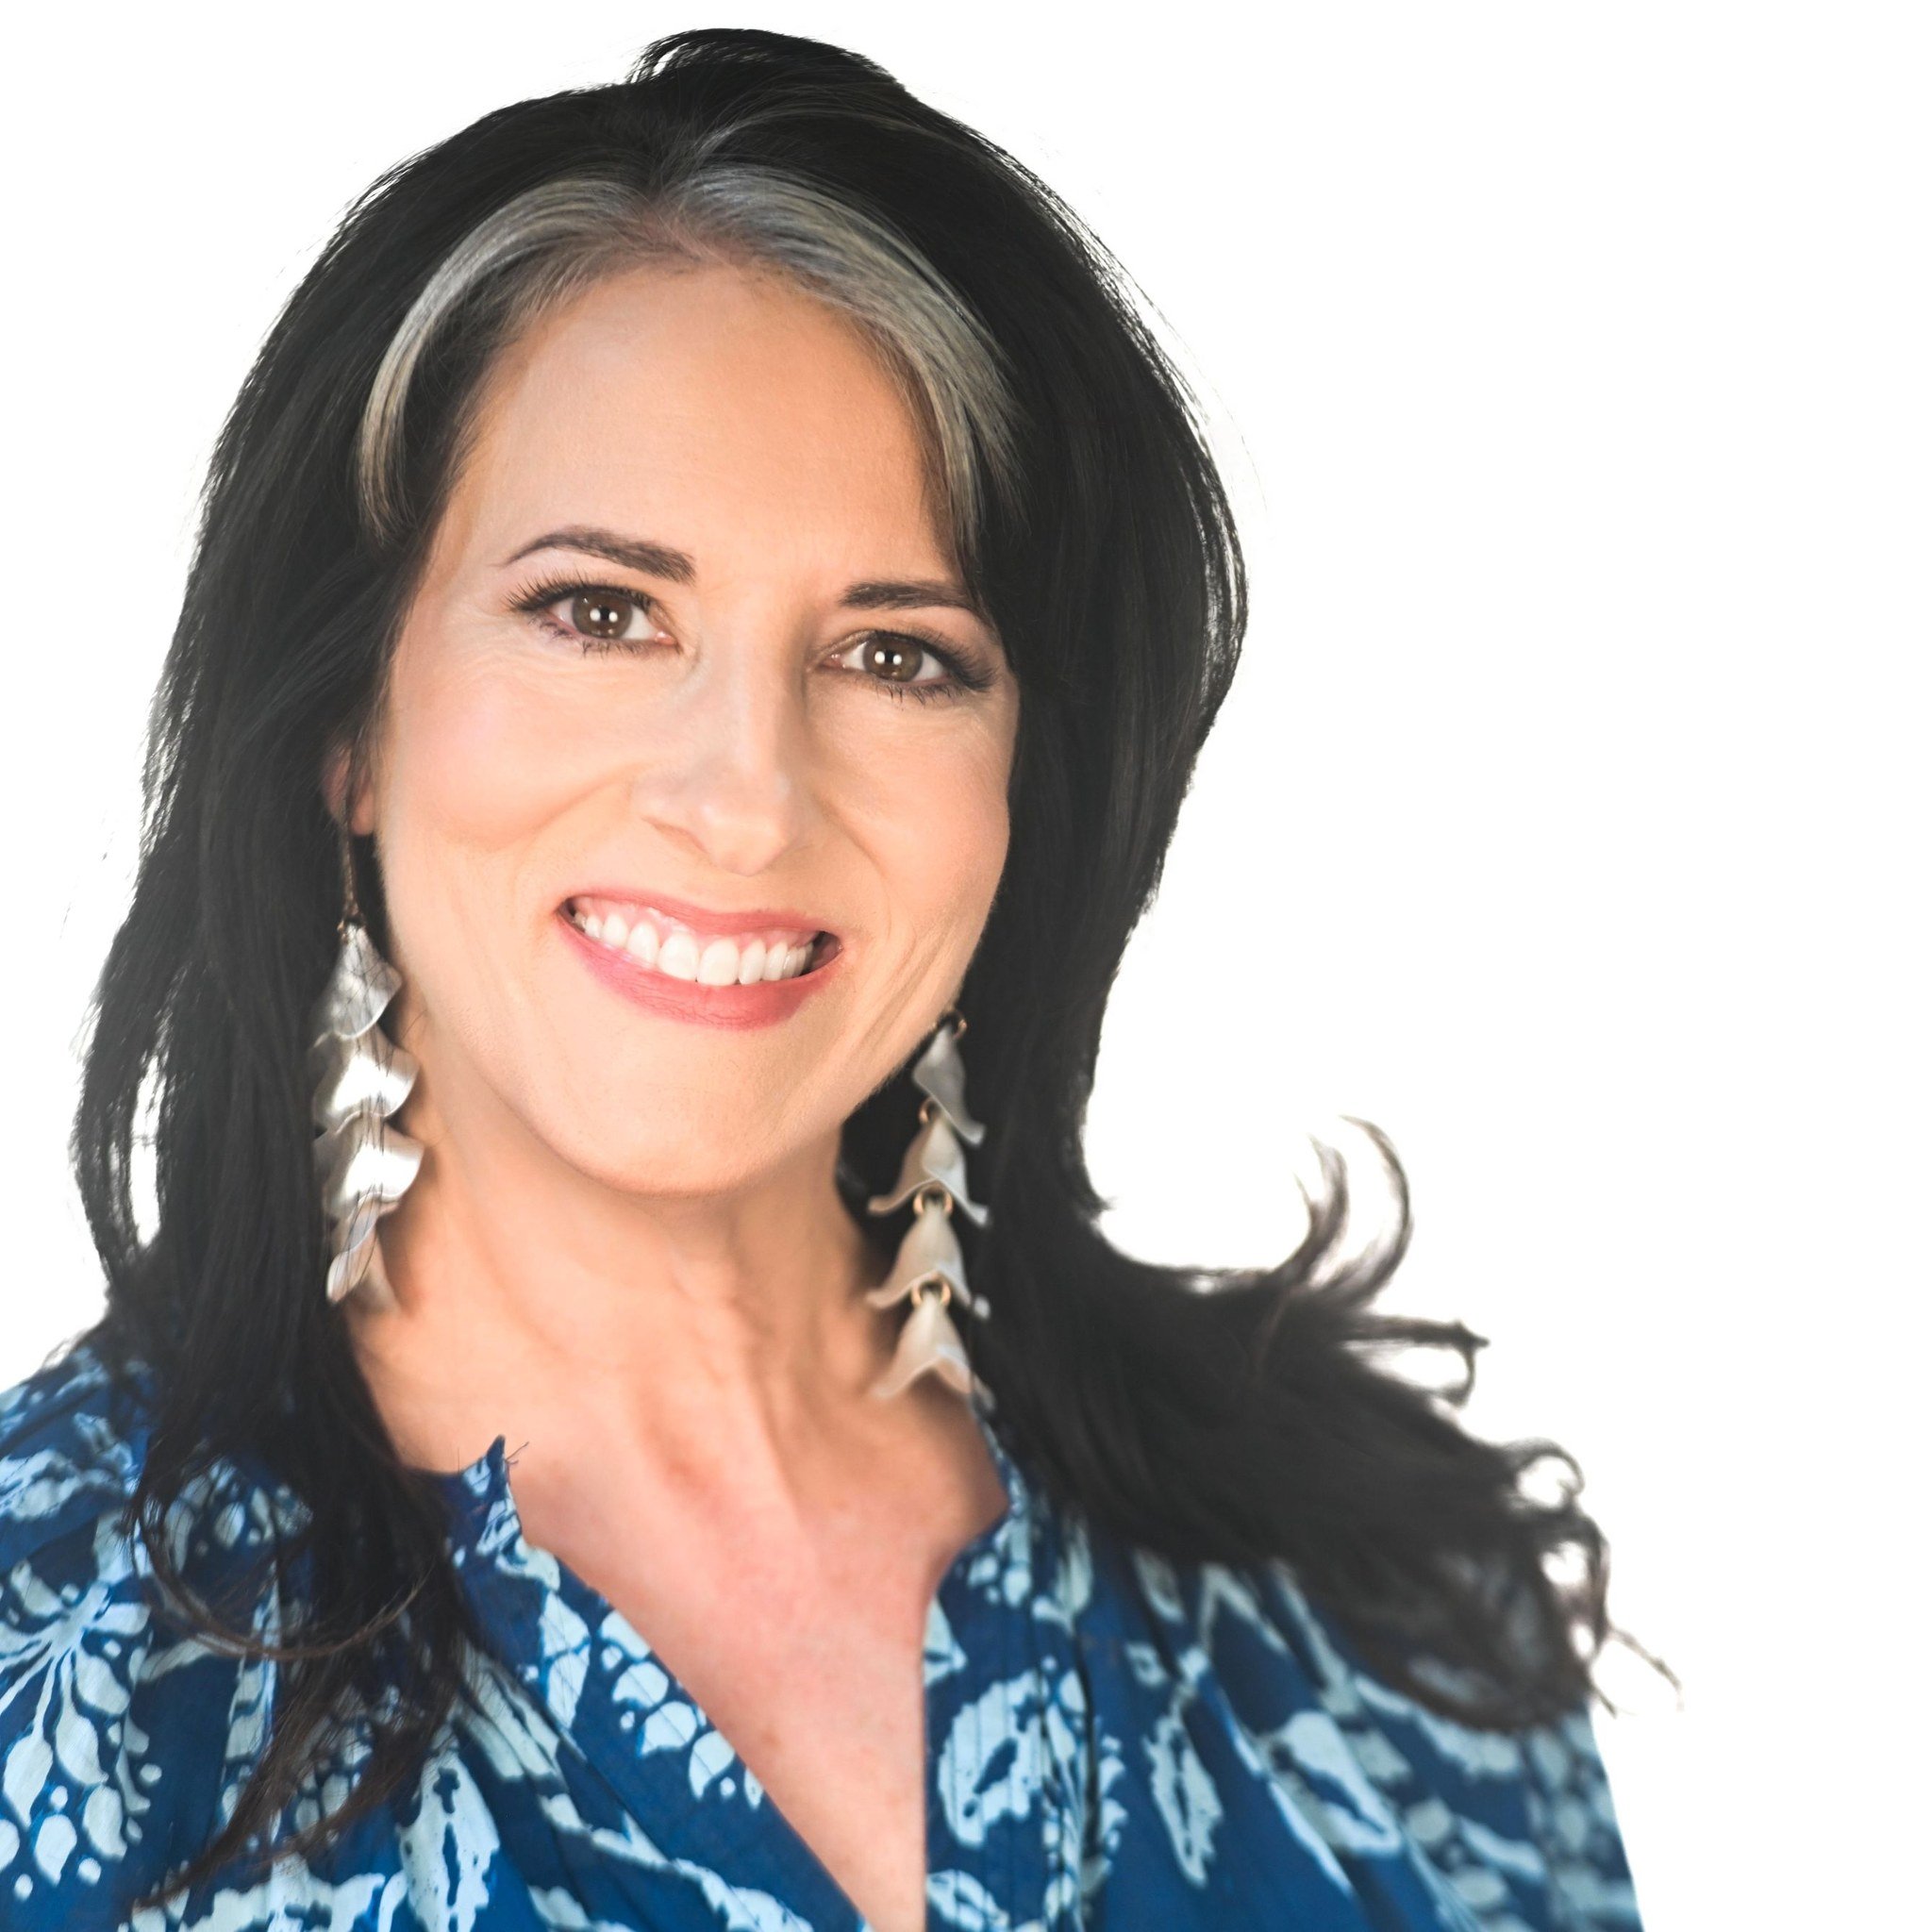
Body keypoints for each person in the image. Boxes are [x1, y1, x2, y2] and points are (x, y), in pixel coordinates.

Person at [0, 27, 1649, 1932]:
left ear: (1022, 784)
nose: (744, 802)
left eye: (898, 655)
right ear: (346, 723)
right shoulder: (56, 1653)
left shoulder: (1378, 1607)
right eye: (600, 612)